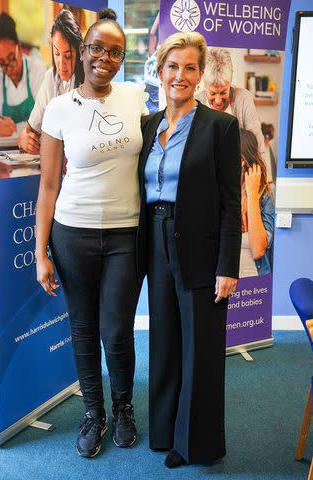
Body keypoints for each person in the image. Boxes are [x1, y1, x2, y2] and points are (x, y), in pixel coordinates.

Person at [36, 9, 148, 459]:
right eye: (97, 48)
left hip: (126, 234)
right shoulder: (58, 108)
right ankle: (94, 413)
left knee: (117, 330)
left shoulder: (135, 98)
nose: (105, 58)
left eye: (115, 52)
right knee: (83, 328)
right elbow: (47, 186)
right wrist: (40, 252)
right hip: (72, 234)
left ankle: (124, 409)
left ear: (122, 59)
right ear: (83, 52)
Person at [137, 32, 241, 468]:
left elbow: (231, 203)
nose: (181, 75)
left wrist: (227, 266)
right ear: (160, 71)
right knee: (164, 341)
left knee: (199, 346)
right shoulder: (149, 126)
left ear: (200, 75)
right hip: (155, 240)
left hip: (200, 244)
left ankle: (194, 443)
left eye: (190, 68)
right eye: (173, 66)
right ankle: (163, 432)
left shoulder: (221, 126)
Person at [18, 9, 84, 154]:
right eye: (57, 54)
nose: (61, 63)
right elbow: (29, 130)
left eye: (67, 56)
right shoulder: (50, 78)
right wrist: (24, 139)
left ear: (79, 52)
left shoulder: (88, 80)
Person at [0, 13, 45, 138]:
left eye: (11, 58)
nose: (8, 67)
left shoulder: (37, 69)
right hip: (2, 150)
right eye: (2, 62)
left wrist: (15, 129)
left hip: (34, 146)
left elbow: (44, 119)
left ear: (19, 47)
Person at [196, 47, 266, 156]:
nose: (218, 101)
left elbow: (258, 147)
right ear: (204, 83)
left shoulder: (244, 98)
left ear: (230, 81)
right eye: (213, 93)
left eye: (223, 92)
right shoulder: (196, 104)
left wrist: (259, 170)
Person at [239, 128, 275, 277]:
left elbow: (258, 250)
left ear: (242, 161)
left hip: (254, 289)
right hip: (219, 286)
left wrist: (252, 195)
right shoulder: (216, 192)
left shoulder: (267, 194)